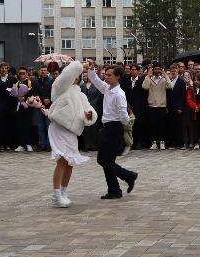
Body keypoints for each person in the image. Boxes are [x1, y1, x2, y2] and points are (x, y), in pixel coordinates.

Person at [42, 61, 98, 208]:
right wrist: (82, 65)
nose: (75, 77)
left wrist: (89, 115)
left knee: (70, 163)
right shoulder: (59, 88)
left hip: (72, 132)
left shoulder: (80, 95)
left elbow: (89, 112)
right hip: (59, 129)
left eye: (78, 75)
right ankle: (56, 194)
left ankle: (64, 191)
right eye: (74, 74)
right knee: (62, 160)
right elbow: (67, 74)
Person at [85, 62, 138, 199]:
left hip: (115, 129)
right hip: (107, 129)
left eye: (109, 75)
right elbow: (96, 81)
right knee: (103, 160)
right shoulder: (108, 88)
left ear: (118, 77)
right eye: (106, 75)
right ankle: (127, 177)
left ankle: (115, 189)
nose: (106, 77)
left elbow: (124, 116)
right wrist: (91, 70)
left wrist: (125, 126)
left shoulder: (119, 94)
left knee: (106, 161)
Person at [142, 64, 170, 150]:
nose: (157, 71)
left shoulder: (164, 79)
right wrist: (148, 75)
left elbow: (170, 86)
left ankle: (162, 142)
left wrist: (166, 75)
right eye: (155, 69)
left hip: (161, 105)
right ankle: (154, 142)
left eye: (159, 69)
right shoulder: (150, 79)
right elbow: (144, 87)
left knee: (162, 125)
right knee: (153, 125)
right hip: (152, 105)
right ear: (153, 70)